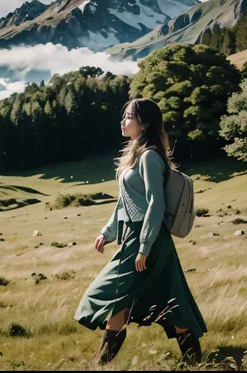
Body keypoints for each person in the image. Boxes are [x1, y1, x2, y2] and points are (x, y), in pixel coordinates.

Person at [74, 98, 207, 365]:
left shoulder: (149, 157)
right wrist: (108, 232)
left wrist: (144, 246)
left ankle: (102, 364)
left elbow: (155, 203)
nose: (122, 122)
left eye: (128, 117)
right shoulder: (134, 155)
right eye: (123, 116)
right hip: (134, 237)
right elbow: (125, 201)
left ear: (144, 124)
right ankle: (102, 363)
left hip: (148, 239)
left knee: (114, 294)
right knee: (160, 298)